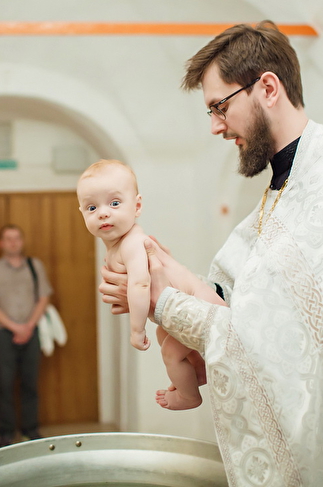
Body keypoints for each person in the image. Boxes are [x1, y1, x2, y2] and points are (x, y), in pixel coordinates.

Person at [100, 21, 323, 485]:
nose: (215, 126)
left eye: (219, 107)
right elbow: (249, 301)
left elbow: (287, 347)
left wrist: (164, 303)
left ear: (268, 88)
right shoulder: (287, 186)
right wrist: (164, 274)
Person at [77, 159, 223, 410]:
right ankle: (199, 370)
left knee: (170, 353)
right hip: (193, 307)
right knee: (163, 335)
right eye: (92, 207)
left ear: (137, 206)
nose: (103, 212)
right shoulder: (120, 244)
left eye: (114, 203)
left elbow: (141, 285)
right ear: (82, 213)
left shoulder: (133, 243)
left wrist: (136, 330)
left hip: (205, 309)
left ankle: (189, 396)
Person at [0, 224, 52, 447]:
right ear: (0, 243)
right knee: (4, 384)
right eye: (8, 238)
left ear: (22, 241)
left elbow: (43, 298)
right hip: (3, 334)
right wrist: (15, 327)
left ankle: (30, 429)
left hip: (31, 331)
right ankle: (6, 433)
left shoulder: (34, 266)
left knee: (30, 382)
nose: (13, 242)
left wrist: (28, 326)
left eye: (17, 238)